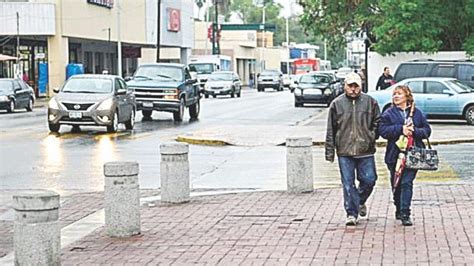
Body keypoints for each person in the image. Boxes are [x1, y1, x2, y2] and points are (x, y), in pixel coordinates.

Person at [325, 72, 381, 226]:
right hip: (345, 150)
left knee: (370, 180)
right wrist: (329, 152)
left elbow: (378, 121)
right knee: (348, 183)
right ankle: (351, 213)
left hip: (366, 149)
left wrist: (371, 136)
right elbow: (331, 129)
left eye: (356, 86)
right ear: (345, 86)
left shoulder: (371, 102)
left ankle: (359, 201)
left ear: (361, 86)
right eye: (350, 86)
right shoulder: (336, 104)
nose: (353, 89)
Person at [378, 85, 431, 226]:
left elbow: (427, 131)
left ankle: (405, 212)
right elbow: (383, 131)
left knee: (407, 182)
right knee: (396, 184)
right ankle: (398, 206)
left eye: (399, 94)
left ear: (407, 96)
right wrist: (400, 129)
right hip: (394, 155)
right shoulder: (388, 113)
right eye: (394, 94)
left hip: (413, 154)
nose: (396, 96)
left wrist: (414, 131)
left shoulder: (417, 113)